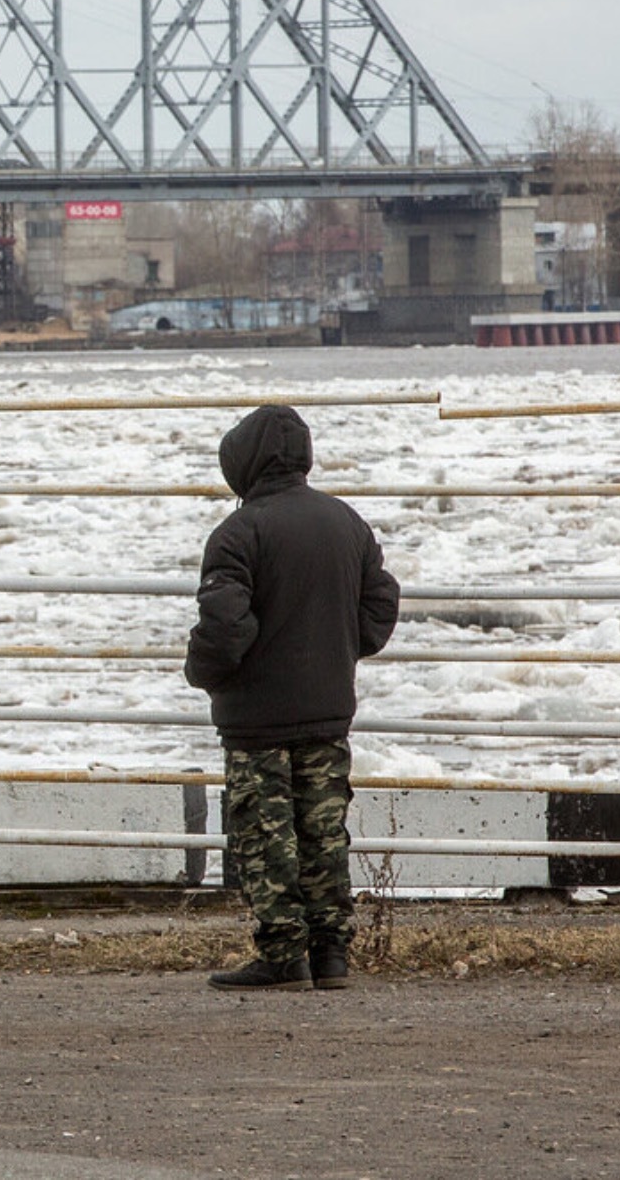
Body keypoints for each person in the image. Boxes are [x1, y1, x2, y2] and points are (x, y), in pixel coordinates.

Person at [185, 404, 401, 992]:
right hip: (328, 709)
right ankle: (331, 953)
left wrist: (203, 673)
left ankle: (283, 955)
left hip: (256, 720)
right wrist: (341, 649)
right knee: (323, 833)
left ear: (245, 462)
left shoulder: (238, 532)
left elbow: (225, 626)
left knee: (266, 834)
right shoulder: (346, 522)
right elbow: (381, 604)